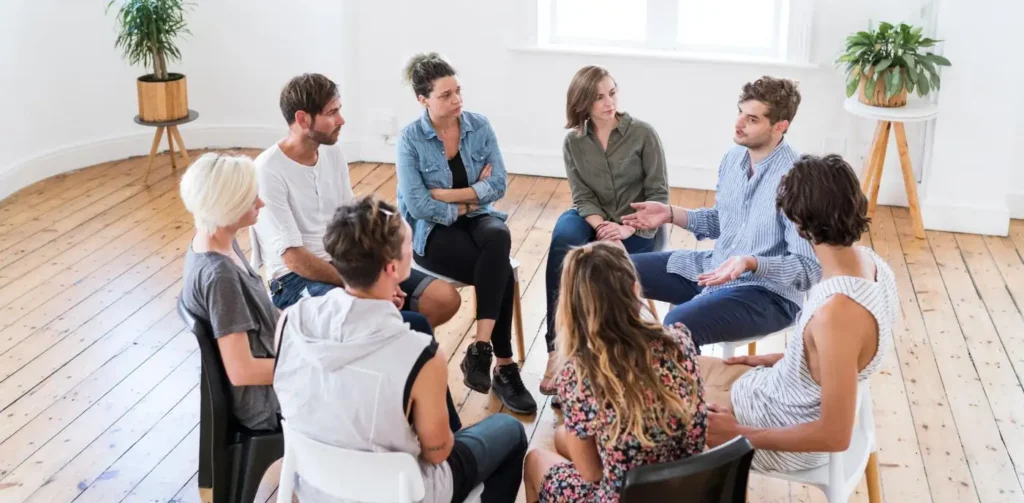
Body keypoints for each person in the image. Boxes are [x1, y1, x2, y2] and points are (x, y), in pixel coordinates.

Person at [272, 196, 527, 503]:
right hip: (399, 492)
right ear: (393, 267)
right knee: (510, 431)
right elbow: (438, 452)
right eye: (409, 245)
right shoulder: (419, 353)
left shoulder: (291, 321)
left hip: (315, 486)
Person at [699, 154, 898, 473]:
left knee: (640, 403)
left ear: (798, 224)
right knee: (664, 367)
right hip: (771, 391)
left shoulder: (837, 314)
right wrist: (785, 358)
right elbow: (842, 360)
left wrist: (739, 435)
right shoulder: (873, 265)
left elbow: (834, 436)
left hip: (773, 431)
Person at [250, 72, 461, 332]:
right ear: (303, 119)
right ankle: (383, 351)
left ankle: (392, 354)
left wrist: (380, 274)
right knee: (371, 320)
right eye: (332, 113)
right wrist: (369, 286)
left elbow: (350, 222)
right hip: (294, 279)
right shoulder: (267, 170)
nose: (341, 120)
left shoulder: (331, 150)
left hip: (344, 263)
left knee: (443, 299)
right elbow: (294, 259)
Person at [623, 76, 821, 351]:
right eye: (740, 112)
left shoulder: (799, 178)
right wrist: (670, 213)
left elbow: (808, 269)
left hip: (766, 294)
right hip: (712, 269)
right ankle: (604, 374)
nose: (738, 123)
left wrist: (751, 262)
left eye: (752, 119)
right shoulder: (733, 158)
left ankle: (670, 391)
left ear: (780, 126)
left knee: (678, 323)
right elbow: (723, 221)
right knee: (609, 272)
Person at [395, 53, 536, 414]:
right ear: (423, 99)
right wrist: (470, 197)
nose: (457, 100)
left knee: (498, 238)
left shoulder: (478, 125)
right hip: (431, 232)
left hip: (477, 220)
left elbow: (500, 183)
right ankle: (504, 367)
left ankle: (480, 348)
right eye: (446, 95)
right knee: (498, 268)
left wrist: (450, 197)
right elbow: (419, 205)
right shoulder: (410, 139)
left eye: (458, 91)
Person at [523, 242, 707, 503]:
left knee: (535, 461)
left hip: (625, 497)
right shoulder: (680, 341)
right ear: (635, 290)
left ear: (572, 307)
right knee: (561, 436)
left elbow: (591, 473)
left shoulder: (578, 377)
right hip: (688, 488)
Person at [539, 65, 670, 396]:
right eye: (598, 97)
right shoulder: (574, 143)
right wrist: (601, 227)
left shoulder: (643, 134)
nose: (608, 102)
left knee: (605, 271)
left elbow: (658, 195)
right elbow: (581, 196)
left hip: (639, 227)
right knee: (564, 242)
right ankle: (557, 350)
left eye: (612, 93)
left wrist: (625, 229)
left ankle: (605, 363)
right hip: (592, 217)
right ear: (583, 102)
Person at [179, 153, 280, 431]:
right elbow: (242, 371)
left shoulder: (218, 241)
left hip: (278, 360)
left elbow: (264, 316)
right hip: (267, 403)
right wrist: (307, 368)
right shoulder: (219, 276)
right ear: (228, 207)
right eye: (252, 199)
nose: (261, 203)